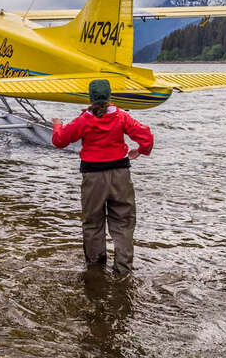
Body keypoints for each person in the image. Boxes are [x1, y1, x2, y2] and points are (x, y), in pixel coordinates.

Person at [51, 79, 153, 274]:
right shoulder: (122, 117)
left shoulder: (83, 120)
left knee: (93, 223)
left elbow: (60, 140)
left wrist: (57, 125)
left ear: (90, 97)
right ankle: (123, 270)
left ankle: (96, 269)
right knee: (123, 223)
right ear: (109, 96)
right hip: (120, 175)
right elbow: (146, 136)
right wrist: (140, 150)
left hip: (93, 177)